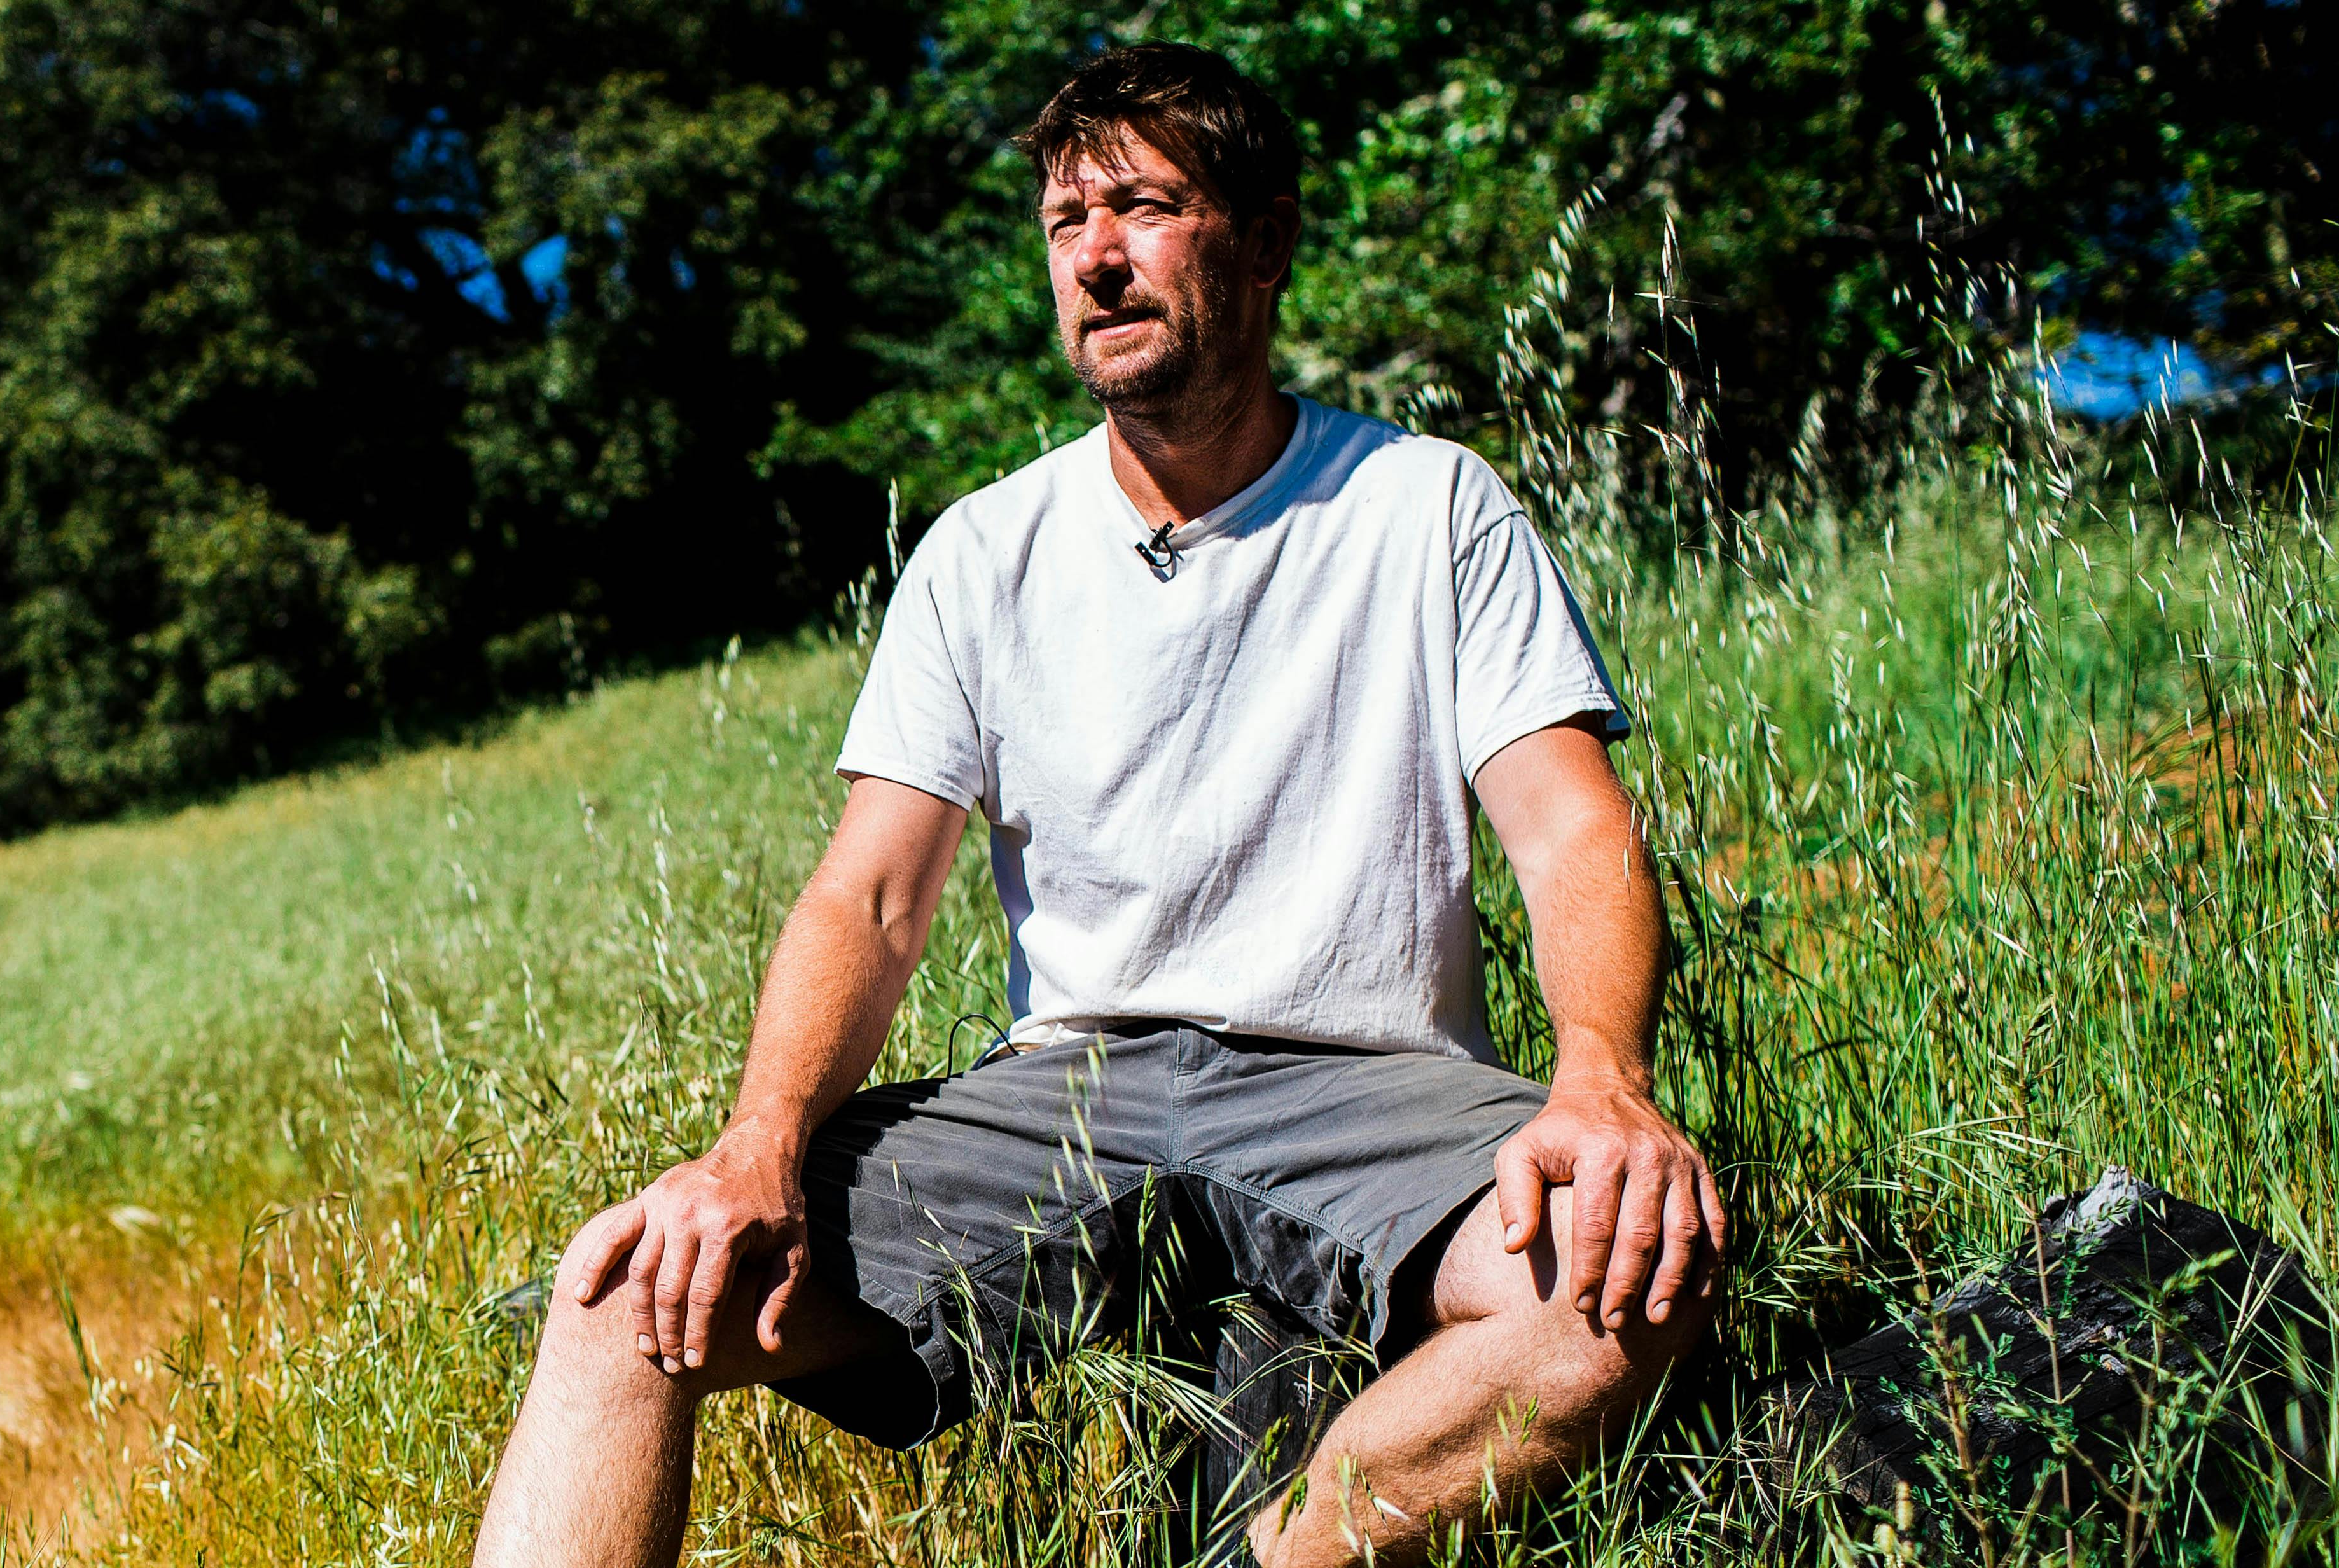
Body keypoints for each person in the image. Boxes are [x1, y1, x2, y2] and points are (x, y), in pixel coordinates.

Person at [473, 41, 1722, 1568]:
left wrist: (1599, 1076)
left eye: (1143, 207)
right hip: (1065, 1096)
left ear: (1262, 243)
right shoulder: (980, 552)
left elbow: (1567, 825)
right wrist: (755, 1146)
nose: (1098, 258)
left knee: (1625, 1282)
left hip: (1368, 1093)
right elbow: (870, 895)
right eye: (1068, 221)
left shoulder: (1427, 506)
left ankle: (1286, 1557)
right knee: (621, 1297)